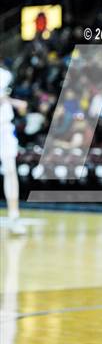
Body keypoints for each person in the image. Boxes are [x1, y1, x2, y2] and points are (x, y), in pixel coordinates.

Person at [0, 65, 27, 235]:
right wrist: (14, 102)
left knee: (10, 170)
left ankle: (14, 216)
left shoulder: (5, 75)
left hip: (4, 128)